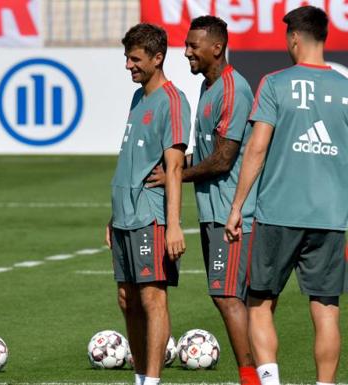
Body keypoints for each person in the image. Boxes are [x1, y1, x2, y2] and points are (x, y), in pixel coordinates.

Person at [225, 6, 347, 385]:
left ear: (293, 38)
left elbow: (256, 149)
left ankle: (271, 382)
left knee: (260, 304)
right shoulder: (346, 88)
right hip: (331, 217)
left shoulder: (275, 83)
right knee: (326, 310)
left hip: (278, 213)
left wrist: (237, 206)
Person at [145, 16, 260, 385]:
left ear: (217, 47)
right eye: (187, 44)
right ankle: (258, 372)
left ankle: (251, 377)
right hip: (214, 211)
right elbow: (207, 152)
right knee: (228, 296)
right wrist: (174, 164)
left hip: (233, 213)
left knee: (227, 296)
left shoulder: (232, 89)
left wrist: (175, 175)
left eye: (194, 46)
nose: (187, 51)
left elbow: (224, 158)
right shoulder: (209, 88)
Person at [106, 23, 189, 385]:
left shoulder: (172, 100)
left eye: (135, 58)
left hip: (151, 217)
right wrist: (114, 215)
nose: (128, 65)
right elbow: (132, 161)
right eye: (127, 57)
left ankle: (151, 381)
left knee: (153, 300)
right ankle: (141, 376)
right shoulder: (139, 97)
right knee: (128, 300)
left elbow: (174, 167)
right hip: (125, 216)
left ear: (158, 58)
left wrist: (173, 225)